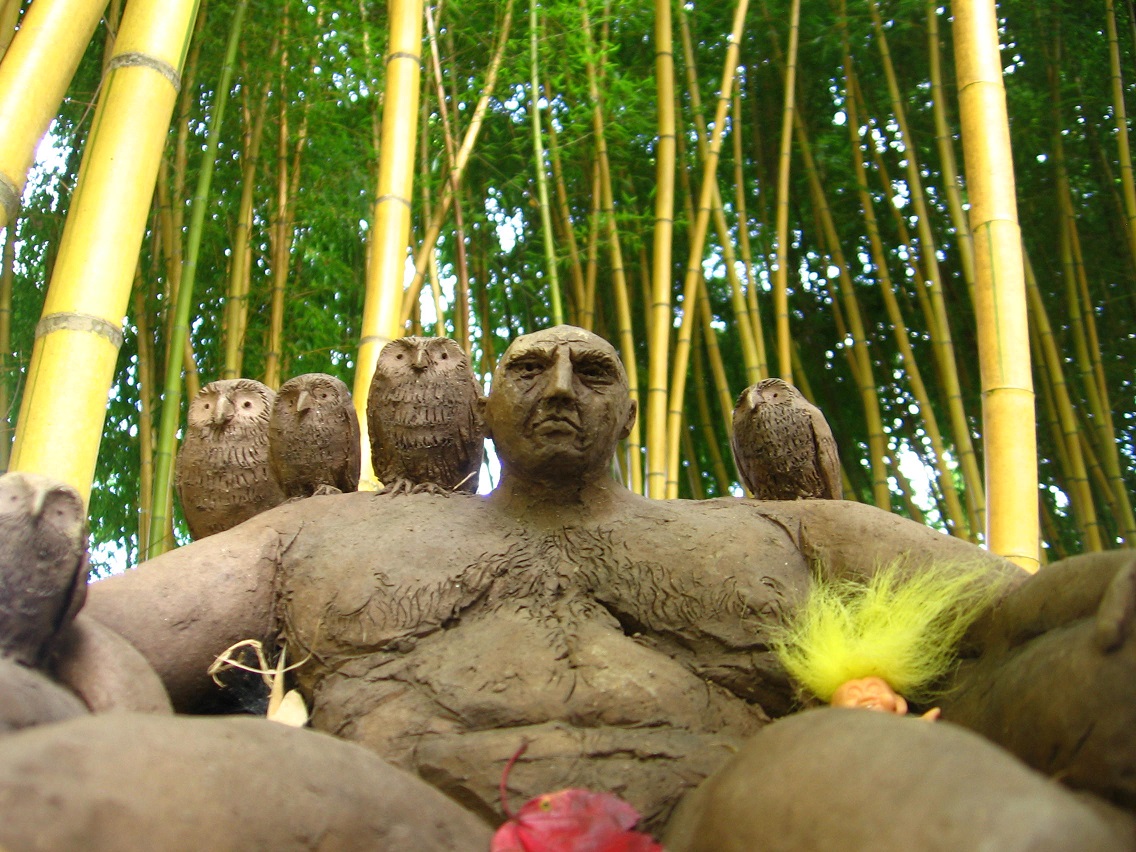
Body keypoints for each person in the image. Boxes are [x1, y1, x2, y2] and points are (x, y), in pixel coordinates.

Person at [83, 325, 1018, 833]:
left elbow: (1021, 610)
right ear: (482, 410)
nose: (562, 388)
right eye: (529, 369)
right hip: (380, 822)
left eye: (592, 372)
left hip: (737, 822)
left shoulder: (780, 529)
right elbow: (101, 632)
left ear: (629, 413)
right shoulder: (326, 530)